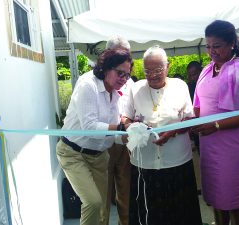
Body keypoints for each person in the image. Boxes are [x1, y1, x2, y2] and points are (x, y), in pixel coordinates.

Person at [191, 20, 239, 225]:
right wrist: (191, 121)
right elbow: (199, 105)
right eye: (208, 46)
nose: (211, 51)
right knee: (216, 196)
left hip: (233, 144)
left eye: (217, 46)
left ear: (231, 43)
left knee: (235, 199)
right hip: (209, 143)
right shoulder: (207, 70)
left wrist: (215, 125)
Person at [124, 46, 202, 225]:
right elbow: (125, 117)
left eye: (158, 69)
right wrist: (133, 126)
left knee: (180, 215)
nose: (153, 75)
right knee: (149, 215)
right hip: (145, 164)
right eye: (147, 71)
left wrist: (172, 132)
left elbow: (189, 119)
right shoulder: (134, 88)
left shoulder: (180, 86)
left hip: (177, 161)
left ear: (168, 66)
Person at [56, 48, 133, 225]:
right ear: (106, 68)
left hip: (99, 156)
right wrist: (122, 127)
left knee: (102, 210)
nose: (123, 78)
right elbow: (90, 127)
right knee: (93, 202)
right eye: (119, 73)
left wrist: (132, 135)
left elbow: (112, 134)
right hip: (73, 153)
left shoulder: (115, 93)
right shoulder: (87, 85)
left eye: (127, 75)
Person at [105, 36, 133, 225]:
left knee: (126, 193)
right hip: (104, 143)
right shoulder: (97, 79)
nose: (124, 57)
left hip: (124, 142)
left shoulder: (129, 80)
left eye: (127, 53)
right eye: (119, 52)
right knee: (103, 195)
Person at [186, 61, 202, 153]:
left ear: (201, 71)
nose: (192, 77)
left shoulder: (208, 84)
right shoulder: (189, 87)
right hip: (196, 123)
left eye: (194, 74)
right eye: (190, 75)